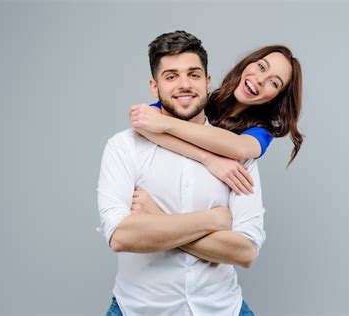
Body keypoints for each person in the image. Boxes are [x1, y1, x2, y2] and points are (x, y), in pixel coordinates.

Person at [98, 30, 265, 316]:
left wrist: (157, 221)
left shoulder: (236, 155)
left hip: (223, 309)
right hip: (139, 309)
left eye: (194, 74)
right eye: (171, 76)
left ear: (208, 81)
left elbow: (245, 252)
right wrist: (213, 220)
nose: (184, 85)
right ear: (154, 86)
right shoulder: (124, 146)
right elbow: (121, 236)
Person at [128, 43, 303, 194]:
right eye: (261, 67)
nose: (260, 79)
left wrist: (165, 124)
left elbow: (239, 148)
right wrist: (209, 159)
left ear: (275, 97)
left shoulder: (262, 131)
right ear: (248, 64)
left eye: (274, 83)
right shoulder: (202, 99)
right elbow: (143, 122)